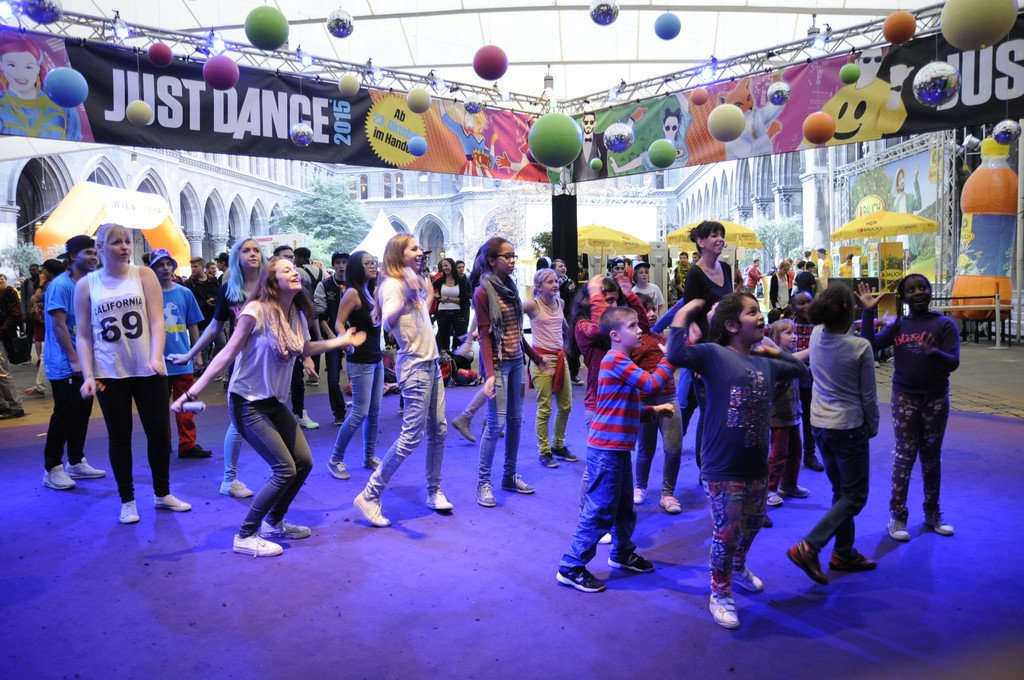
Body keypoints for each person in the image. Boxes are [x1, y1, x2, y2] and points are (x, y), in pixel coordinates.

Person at [172, 256, 366, 557]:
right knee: (284, 469)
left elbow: (303, 348)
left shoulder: (297, 314)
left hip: (274, 401)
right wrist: (191, 392)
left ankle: (273, 523)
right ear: (272, 281)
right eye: (286, 269)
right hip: (247, 402)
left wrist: (339, 342)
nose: (294, 272)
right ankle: (245, 535)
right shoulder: (256, 310)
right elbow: (226, 354)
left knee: (304, 462)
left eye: (294, 268)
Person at [667, 293, 809, 629]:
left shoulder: (765, 362)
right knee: (727, 532)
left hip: (755, 464)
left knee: (754, 523)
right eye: (752, 312)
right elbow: (675, 354)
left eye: (759, 311)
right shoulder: (714, 355)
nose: (760, 317)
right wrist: (685, 313)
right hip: (722, 466)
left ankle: (737, 565)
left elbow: (800, 371)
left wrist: (774, 351)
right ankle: (719, 592)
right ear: (731, 325)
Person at [75, 223, 191, 524]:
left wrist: (155, 357)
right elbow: (83, 335)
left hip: (148, 369)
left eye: (127, 241)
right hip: (108, 372)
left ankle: (162, 493)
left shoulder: (144, 275)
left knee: (159, 433)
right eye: (116, 242)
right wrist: (88, 375)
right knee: (119, 436)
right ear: (100, 247)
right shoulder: (87, 285)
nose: (124, 246)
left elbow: (156, 321)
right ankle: (127, 500)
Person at [556, 305, 675, 593]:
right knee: (600, 509)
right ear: (615, 335)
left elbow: (623, 406)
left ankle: (621, 552)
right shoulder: (615, 360)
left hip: (617, 448)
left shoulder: (623, 362)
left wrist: (653, 411)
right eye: (632, 326)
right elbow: (652, 383)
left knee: (623, 507)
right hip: (606, 449)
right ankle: (571, 566)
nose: (640, 330)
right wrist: (670, 357)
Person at [352, 235, 451, 527]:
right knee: (411, 436)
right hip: (416, 367)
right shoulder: (393, 285)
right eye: (414, 248)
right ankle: (369, 494)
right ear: (398, 253)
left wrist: (425, 295)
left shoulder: (410, 281)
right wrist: (409, 294)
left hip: (430, 363)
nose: (421, 252)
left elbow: (418, 320)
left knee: (439, 429)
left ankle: (433, 491)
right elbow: (387, 322)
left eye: (420, 248)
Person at [787, 286, 879, 585]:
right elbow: (868, 397)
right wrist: (873, 425)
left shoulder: (816, 335)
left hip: (820, 426)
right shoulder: (860, 348)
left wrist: (866, 312)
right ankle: (810, 546)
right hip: (848, 427)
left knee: (841, 492)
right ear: (848, 310)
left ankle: (843, 552)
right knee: (855, 497)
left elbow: (845, 331)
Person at [858, 275, 960, 541]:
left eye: (922, 288)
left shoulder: (945, 324)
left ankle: (932, 512)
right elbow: (870, 345)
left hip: (936, 398)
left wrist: (934, 352)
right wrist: (867, 312)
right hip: (904, 397)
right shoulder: (899, 325)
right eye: (911, 290)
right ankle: (898, 515)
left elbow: (953, 362)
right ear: (903, 296)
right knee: (904, 456)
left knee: (931, 457)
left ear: (930, 291)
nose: (918, 293)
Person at [169, 238, 265, 498]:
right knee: (240, 421)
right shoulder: (229, 290)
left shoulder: (271, 285)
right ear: (236, 257)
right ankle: (230, 478)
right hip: (243, 361)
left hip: (273, 362)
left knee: (275, 414)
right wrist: (191, 353)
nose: (253, 254)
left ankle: (283, 470)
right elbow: (214, 327)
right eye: (246, 250)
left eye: (256, 250)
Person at [472, 237, 548, 507]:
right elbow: (484, 334)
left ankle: (508, 475)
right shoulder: (482, 292)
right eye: (507, 256)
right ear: (492, 260)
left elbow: (516, 332)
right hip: (498, 364)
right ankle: (483, 483)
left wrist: (534, 357)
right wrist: (490, 374)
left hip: (516, 361)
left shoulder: (511, 288)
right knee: (495, 424)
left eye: (514, 255)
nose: (513, 260)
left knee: (516, 421)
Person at [41, 237, 105, 490]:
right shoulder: (61, 285)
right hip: (64, 363)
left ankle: (76, 462)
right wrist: (74, 358)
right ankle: (52, 468)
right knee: (64, 415)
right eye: (88, 252)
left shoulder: (90, 283)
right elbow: (59, 325)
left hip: (86, 363)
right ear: (72, 256)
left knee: (82, 414)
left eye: (95, 252)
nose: (94, 257)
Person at [150, 249, 213, 459]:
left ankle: (187, 444)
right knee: (158, 408)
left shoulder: (185, 293)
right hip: (158, 361)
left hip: (182, 359)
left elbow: (193, 325)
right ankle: (163, 443)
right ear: (153, 269)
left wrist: (197, 354)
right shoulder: (147, 294)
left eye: (169, 264)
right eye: (160, 265)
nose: (165, 268)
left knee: (185, 404)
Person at [327, 251, 384, 479]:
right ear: (356, 268)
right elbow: (338, 323)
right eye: (367, 263)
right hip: (360, 360)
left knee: (374, 412)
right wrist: (346, 340)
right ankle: (335, 459)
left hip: (376, 358)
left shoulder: (372, 290)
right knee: (360, 412)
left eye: (373, 262)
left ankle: (369, 456)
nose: (372, 266)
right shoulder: (352, 293)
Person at [632, 294, 683, 514]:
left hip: (668, 397)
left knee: (674, 448)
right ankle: (640, 486)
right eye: (646, 310)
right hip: (645, 399)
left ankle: (667, 493)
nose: (652, 314)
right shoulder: (633, 340)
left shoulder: (662, 337)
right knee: (645, 449)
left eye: (653, 309)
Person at [524, 268, 573, 469]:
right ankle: (544, 451)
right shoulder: (532, 305)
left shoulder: (560, 303)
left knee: (566, 406)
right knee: (545, 408)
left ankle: (558, 445)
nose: (555, 284)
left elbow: (564, 327)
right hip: (541, 361)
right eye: (550, 282)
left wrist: (574, 338)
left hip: (560, 359)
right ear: (539, 286)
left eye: (556, 281)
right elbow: (510, 313)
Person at [764, 319, 811, 510]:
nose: (794, 336)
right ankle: (769, 489)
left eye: (794, 332)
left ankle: (789, 484)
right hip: (778, 415)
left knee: (795, 451)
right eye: (788, 333)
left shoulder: (791, 357)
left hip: (793, 413)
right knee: (778, 453)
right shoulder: (777, 360)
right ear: (775, 338)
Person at [0, 35, 83, 140]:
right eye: (12, 65)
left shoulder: (63, 106)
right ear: (1, 65)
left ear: (37, 68)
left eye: (28, 67)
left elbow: (75, 144)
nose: (21, 74)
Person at [274, 245, 320, 429]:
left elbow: (305, 323)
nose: (293, 270)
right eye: (285, 261)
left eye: (292, 260)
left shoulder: (298, 301)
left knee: (296, 380)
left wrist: (306, 356)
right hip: (257, 385)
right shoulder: (260, 308)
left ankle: (298, 413)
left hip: (291, 355)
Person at [313, 251, 350, 425]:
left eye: (344, 262)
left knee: (358, 374)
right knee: (333, 376)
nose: (341, 266)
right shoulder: (324, 285)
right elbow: (320, 314)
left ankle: (361, 409)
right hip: (332, 335)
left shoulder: (356, 283)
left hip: (355, 336)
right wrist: (331, 335)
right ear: (333, 265)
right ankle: (339, 413)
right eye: (338, 263)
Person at [790, 291, 825, 473]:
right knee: (790, 418)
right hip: (791, 380)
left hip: (813, 379)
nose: (805, 306)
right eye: (801, 303)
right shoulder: (788, 325)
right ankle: (789, 456)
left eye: (809, 302)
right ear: (793, 306)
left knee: (810, 419)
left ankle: (810, 454)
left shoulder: (820, 326)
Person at [21, 260, 60, 398]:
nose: (41, 273)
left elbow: (35, 299)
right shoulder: (56, 283)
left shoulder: (53, 285)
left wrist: (42, 283)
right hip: (51, 326)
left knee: (48, 355)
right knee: (46, 355)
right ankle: (41, 386)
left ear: (48, 272)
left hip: (56, 327)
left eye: (44, 270)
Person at [553, 259, 583, 385]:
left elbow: (573, 298)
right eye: (560, 266)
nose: (563, 268)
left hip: (570, 317)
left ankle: (573, 374)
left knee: (572, 346)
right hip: (555, 319)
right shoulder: (552, 283)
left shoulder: (570, 282)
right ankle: (557, 377)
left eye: (564, 266)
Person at [433, 257, 470, 354]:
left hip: (457, 312)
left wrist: (448, 299)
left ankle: (458, 356)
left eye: (446, 265)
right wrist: (438, 296)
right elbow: (429, 290)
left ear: (452, 266)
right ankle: (445, 359)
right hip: (442, 312)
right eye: (443, 266)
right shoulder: (440, 280)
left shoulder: (460, 281)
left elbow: (464, 299)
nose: (444, 268)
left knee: (460, 335)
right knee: (443, 337)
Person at [0, 271, 24, 419]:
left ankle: (15, 406)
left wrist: (2, 330)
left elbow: (15, 314)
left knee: (2, 372)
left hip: (4, 337)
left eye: (1, 279)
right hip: (3, 335)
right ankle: (3, 405)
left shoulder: (9, 292)